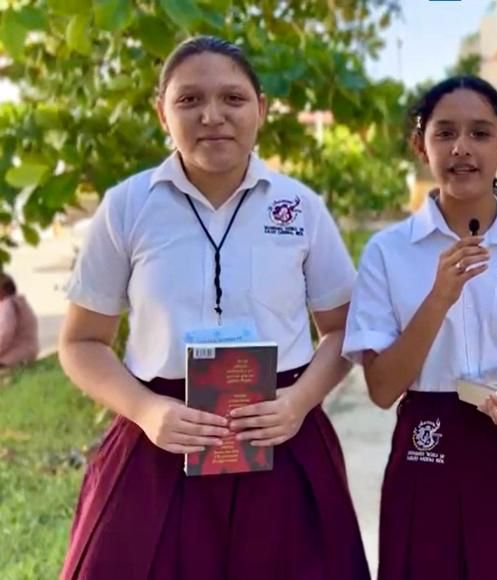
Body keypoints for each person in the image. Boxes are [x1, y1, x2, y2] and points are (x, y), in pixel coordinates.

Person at [59, 36, 370, 580]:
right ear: (162, 112)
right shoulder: (128, 207)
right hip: (162, 438)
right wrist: (147, 411)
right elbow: (81, 343)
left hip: (281, 436)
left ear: (261, 110)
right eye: (189, 100)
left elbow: (342, 331)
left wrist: (296, 403)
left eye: (232, 98)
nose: (212, 116)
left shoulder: (300, 208)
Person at [342, 76, 497, 580]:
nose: (462, 148)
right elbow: (383, 388)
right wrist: (438, 299)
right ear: (420, 144)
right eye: (445, 133)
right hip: (427, 450)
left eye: (480, 133)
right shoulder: (389, 253)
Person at [0, 273, 39, 367]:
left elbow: (5, 333)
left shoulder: (8, 305)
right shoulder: (18, 303)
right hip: (26, 351)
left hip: (14, 355)